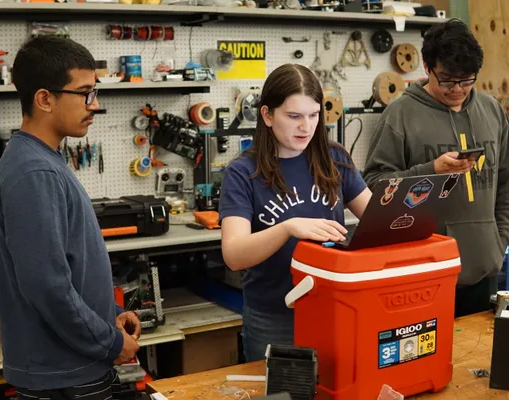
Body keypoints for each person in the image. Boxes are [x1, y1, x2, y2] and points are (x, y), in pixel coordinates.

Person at [0, 36, 140, 400]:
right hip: (64, 377)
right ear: (44, 99)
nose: (95, 104)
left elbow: (71, 268)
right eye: (85, 93)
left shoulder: (43, 161)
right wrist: (109, 343)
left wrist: (109, 315)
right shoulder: (34, 174)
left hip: (71, 366)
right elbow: (49, 287)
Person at [218, 64, 371, 362]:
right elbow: (234, 255)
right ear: (267, 115)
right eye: (294, 116)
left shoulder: (334, 159)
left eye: (314, 115)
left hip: (336, 309)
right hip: (274, 317)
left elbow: (379, 219)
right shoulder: (242, 172)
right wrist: (288, 228)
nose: (306, 127)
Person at [363, 18, 509, 318]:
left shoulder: (492, 110)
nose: (458, 89)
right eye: (447, 80)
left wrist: (498, 239)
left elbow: (506, 181)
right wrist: (430, 171)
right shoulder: (399, 115)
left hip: (485, 271)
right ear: (427, 68)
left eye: (468, 80)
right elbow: (375, 186)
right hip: (423, 274)